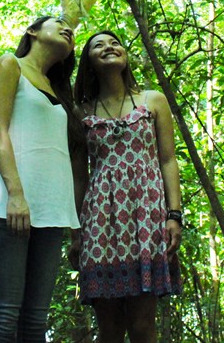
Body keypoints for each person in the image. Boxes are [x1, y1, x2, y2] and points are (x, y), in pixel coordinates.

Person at [72, 30, 183, 343]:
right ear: (89, 63)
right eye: (99, 45)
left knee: (143, 325)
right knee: (109, 329)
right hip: (99, 223)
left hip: (146, 218)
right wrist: (75, 233)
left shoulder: (153, 100)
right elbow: (79, 176)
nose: (109, 47)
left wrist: (174, 215)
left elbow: (168, 160)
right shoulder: (82, 113)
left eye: (115, 42)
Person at [0, 15, 80, 342]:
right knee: (4, 315)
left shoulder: (57, 89)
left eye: (72, 29)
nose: (68, 29)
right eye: (59, 22)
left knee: (36, 320)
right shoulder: (12, 65)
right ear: (33, 31)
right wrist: (16, 193)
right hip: (9, 206)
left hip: (50, 212)